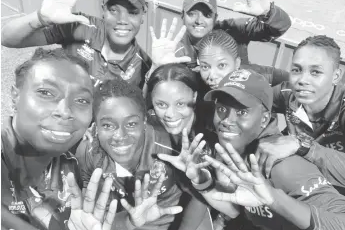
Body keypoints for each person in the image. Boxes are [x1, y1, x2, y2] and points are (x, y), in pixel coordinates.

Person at [160, 69, 345, 230]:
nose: (227, 121)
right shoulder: (236, 148)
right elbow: (238, 211)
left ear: (264, 119)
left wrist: (275, 199)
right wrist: (202, 182)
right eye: (222, 109)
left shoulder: (282, 165)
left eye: (241, 112)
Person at [1, 48, 118, 230]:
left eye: (81, 100)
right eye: (46, 93)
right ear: (15, 97)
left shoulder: (72, 164)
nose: (65, 112)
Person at [1, 0, 151, 88]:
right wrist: (40, 17)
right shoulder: (81, 26)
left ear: (143, 15)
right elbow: (8, 39)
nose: (122, 20)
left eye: (132, 12)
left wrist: (157, 69)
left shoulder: (143, 65)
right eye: (113, 10)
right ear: (103, 11)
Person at [75, 78, 184, 230]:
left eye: (131, 124)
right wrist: (128, 222)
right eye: (107, 125)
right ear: (95, 125)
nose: (120, 135)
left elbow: (199, 200)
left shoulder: (172, 150)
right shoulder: (88, 152)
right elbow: (91, 213)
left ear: (144, 120)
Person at [254, 35, 345, 194]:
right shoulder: (287, 93)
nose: (302, 80)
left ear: (336, 76)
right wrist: (269, 137)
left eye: (315, 72)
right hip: (297, 183)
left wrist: (301, 145)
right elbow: (252, 105)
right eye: (296, 70)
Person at [146, 63, 213, 230]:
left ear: (195, 97)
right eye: (161, 105)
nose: (170, 114)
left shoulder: (209, 136)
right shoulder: (147, 123)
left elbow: (201, 201)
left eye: (180, 104)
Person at [175, 0, 292, 67]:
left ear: (216, 18)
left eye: (207, 15)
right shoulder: (176, 53)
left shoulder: (233, 29)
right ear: (182, 16)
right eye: (192, 14)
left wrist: (267, 12)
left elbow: (280, 28)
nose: (199, 20)